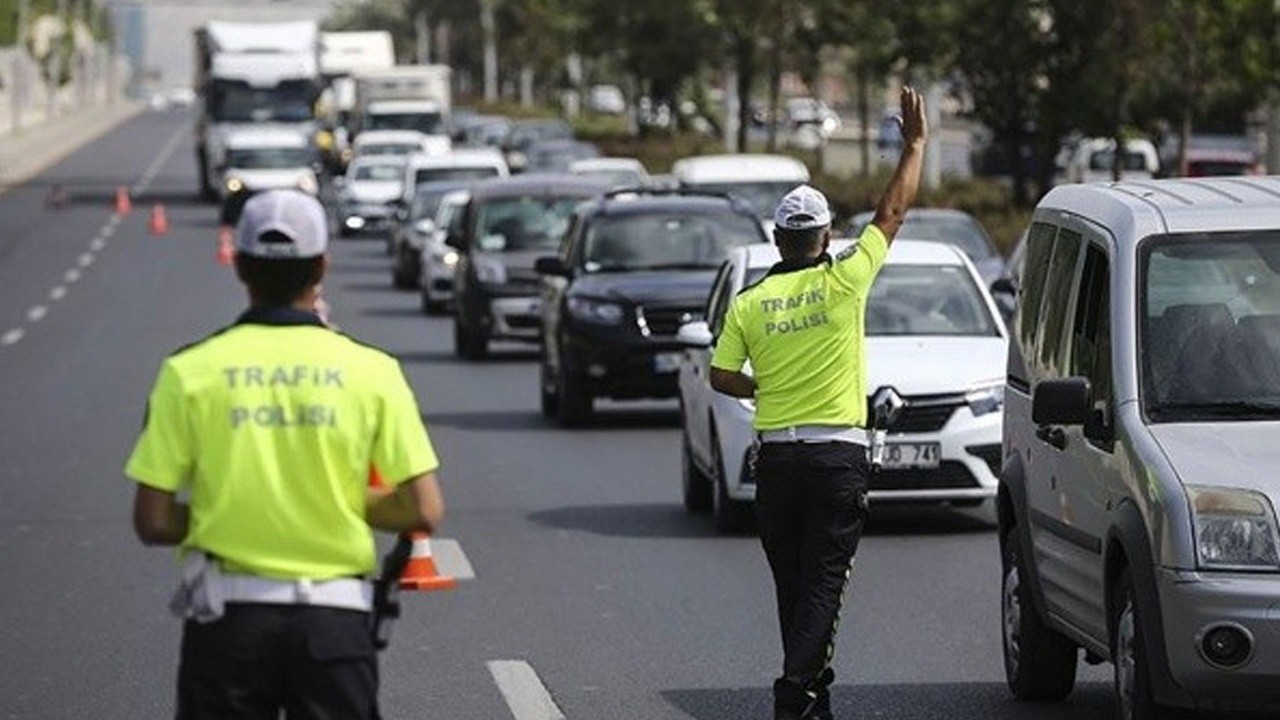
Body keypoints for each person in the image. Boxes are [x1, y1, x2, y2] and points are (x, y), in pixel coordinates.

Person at [125, 189, 445, 720]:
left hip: (227, 625)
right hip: (334, 626)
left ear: (241, 267)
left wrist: (234, 510)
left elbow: (152, 520)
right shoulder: (373, 371)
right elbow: (424, 510)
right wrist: (333, 501)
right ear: (321, 266)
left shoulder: (189, 372)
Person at [708, 86, 927, 720]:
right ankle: (794, 694)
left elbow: (721, 377)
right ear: (826, 236)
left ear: (778, 239)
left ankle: (812, 697)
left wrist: (764, 387)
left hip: (775, 462)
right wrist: (913, 145)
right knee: (824, 586)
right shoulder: (844, 280)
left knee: (793, 587)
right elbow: (892, 213)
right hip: (837, 458)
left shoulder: (748, 303)